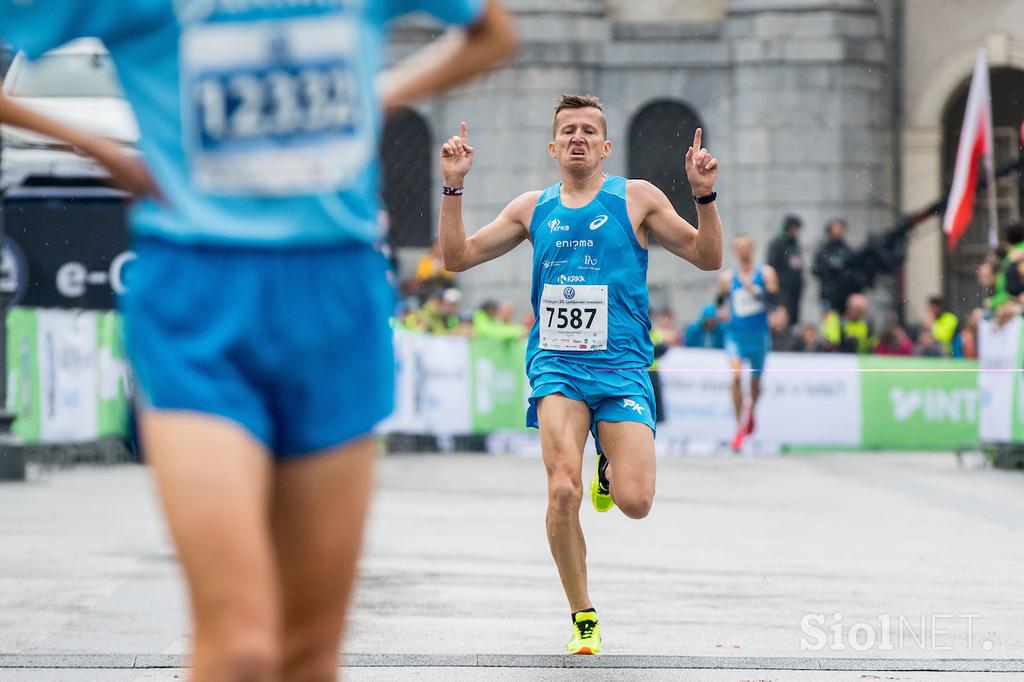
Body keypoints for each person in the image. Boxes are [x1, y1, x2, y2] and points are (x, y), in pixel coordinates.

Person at [1, 3, 518, 680]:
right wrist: (104, 151)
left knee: (309, 656)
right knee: (240, 649)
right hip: (196, 298)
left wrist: (383, 93)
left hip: (335, 294)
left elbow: (494, 33)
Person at [437, 94, 722, 654]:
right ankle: (583, 614)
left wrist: (703, 197)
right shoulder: (531, 208)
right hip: (558, 367)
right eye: (568, 130)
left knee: (635, 502)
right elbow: (458, 258)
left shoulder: (635, 198)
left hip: (621, 369)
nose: (578, 138)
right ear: (552, 146)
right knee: (562, 488)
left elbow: (706, 258)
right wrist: (453, 186)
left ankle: (609, 466)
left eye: (589, 130)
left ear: (605, 146)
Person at [719, 235, 778, 451]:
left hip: (759, 336)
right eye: (739, 248)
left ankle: (751, 412)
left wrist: (755, 293)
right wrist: (721, 310)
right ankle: (739, 427)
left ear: (752, 248)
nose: (743, 251)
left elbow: (773, 303)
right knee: (735, 377)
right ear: (735, 251)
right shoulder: (727, 278)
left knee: (754, 384)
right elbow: (720, 300)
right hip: (735, 336)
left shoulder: (766, 274)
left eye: (746, 247)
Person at [766, 214, 804, 326]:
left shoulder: (795, 244)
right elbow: (772, 266)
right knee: (782, 317)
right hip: (782, 289)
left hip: (794, 289)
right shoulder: (777, 244)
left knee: (792, 318)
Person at [812, 218, 854, 312]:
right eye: (836, 228)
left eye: (841, 228)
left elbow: (852, 269)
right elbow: (815, 269)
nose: (839, 231)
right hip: (827, 293)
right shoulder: (823, 250)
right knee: (828, 319)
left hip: (844, 293)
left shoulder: (847, 250)